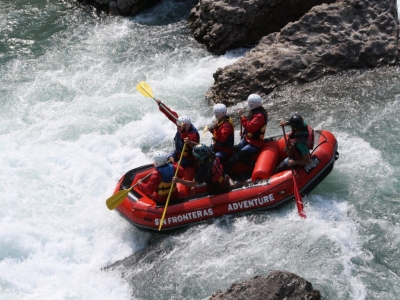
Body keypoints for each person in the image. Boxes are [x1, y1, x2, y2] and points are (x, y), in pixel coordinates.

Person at [224, 94, 268, 173]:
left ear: (252, 104)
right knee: (236, 152)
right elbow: (250, 127)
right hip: (248, 139)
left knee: (240, 156)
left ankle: (253, 165)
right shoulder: (255, 112)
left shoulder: (259, 115)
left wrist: (242, 117)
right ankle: (225, 172)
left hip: (255, 143)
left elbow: (250, 127)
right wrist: (245, 133)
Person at [156, 99, 200, 167]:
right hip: (178, 152)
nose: (178, 128)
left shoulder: (193, 133)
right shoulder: (180, 124)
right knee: (167, 158)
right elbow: (170, 114)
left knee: (176, 166)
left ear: (186, 126)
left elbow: (187, 139)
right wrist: (161, 105)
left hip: (189, 158)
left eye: (180, 127)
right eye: (178, 126)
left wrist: (183, 131)